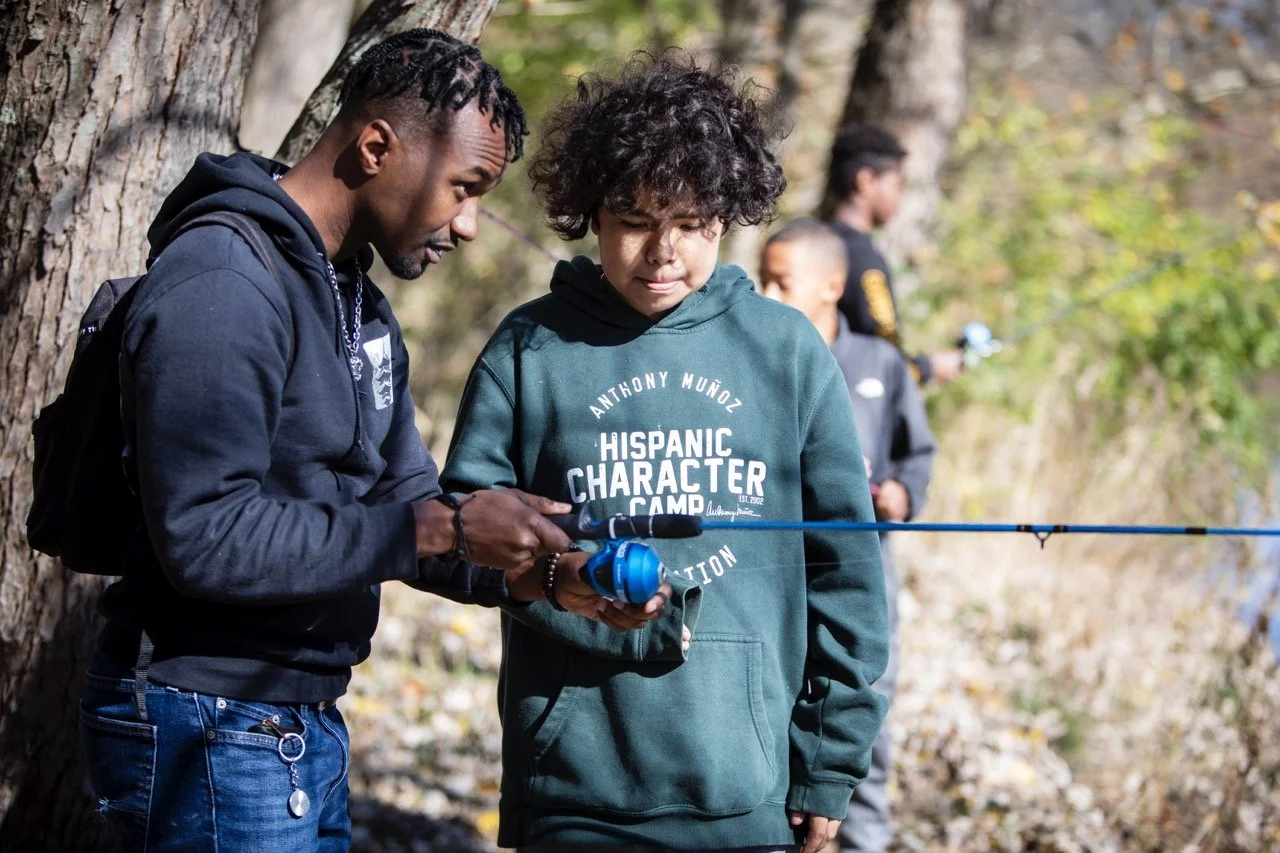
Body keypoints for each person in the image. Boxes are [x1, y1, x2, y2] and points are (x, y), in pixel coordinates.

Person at [79, 29, 665, 853]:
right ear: (377, 146)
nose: (468, 225)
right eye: (464, 188)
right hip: (203, 721)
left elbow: (403, 507)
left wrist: (546, 574)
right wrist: (450, 528)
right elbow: (204, 534)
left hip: (297, 723)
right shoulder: (222, 283)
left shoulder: (356, 302)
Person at [441, 56, 890, 853]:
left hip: (748, 790)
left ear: (726, 216)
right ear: (592, 213)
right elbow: (459, 538)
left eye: (690, 222)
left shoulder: (784, 351)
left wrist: (829, 760)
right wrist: (556, 579)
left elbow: (847, 572)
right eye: (633, 218)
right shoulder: (531, 347)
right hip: (574, 789)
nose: (661, 250)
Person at [760, 219, 936, 853]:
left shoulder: (882, 363)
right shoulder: (761, 355)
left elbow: (915, 452)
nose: (767, 294)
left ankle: (863, 839)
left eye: (782, 283)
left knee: (863, 706)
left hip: (865, 572)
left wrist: (901, 494)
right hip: (777, 570)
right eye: (762, 280)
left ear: (833, 286)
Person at [824, 123, 963, 385]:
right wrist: (929, 367)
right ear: (866, 182)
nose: (900, 197)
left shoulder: (810, 243)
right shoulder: (865, 262)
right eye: (898, 185)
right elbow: (885, 357)